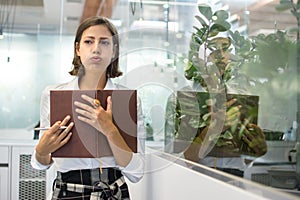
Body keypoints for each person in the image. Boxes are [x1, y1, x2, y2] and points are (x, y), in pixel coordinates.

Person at [31, 16, 145, 199]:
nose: (96, 49)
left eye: (105, 42)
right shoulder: (53, 94)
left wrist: (110, 130)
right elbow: (39, 164)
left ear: (114, 51)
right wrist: (41, 151)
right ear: (78, 49)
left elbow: (137, 172)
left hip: (114, 192)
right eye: (89, 41)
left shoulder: (128, 100)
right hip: (67, 192)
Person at [165, 37, 267, 177]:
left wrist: (256, 150)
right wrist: (214, 128)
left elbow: (243, 158)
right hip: (194, 179)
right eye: (213, 48)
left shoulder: (242, 98)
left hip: (235, 181)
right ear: (201, 57)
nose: (221, 55)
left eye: (225, 49)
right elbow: (177, 160)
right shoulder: (183, 100)